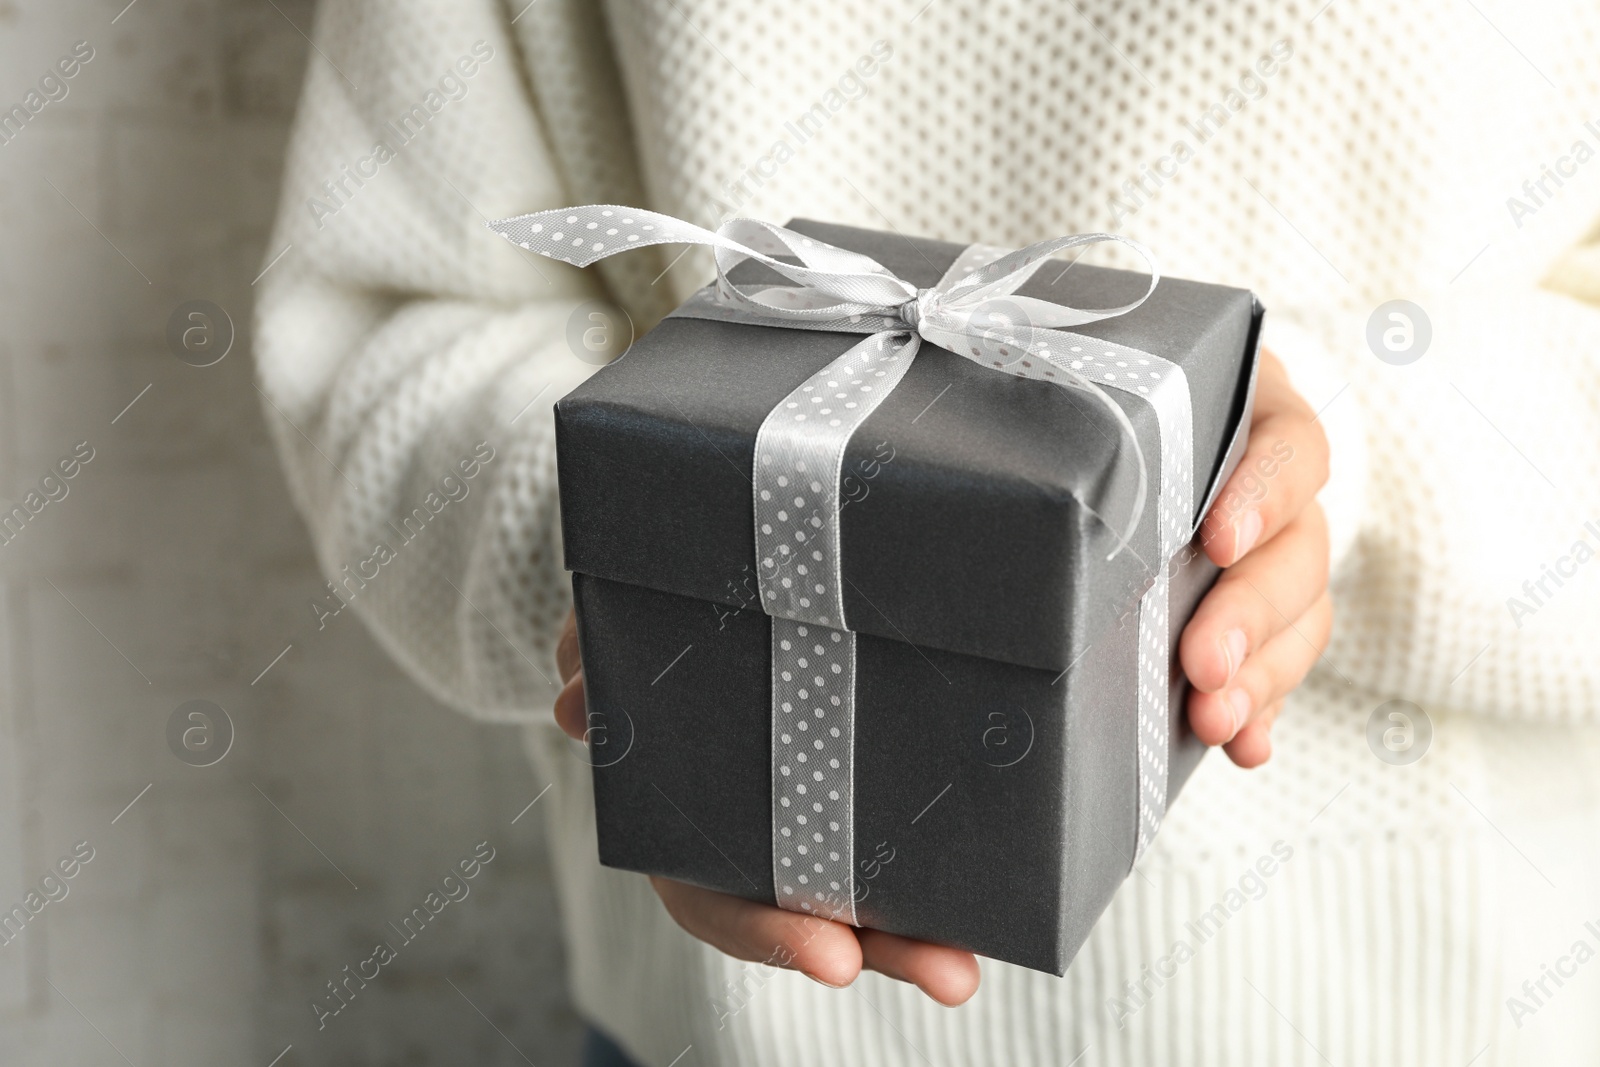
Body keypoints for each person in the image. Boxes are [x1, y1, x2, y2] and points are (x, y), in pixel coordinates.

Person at [256, 1, 1600, 1063]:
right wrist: (651, 582)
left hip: (1442, 1003)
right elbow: (381, 334)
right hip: (729, 1028)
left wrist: (1331, 469)